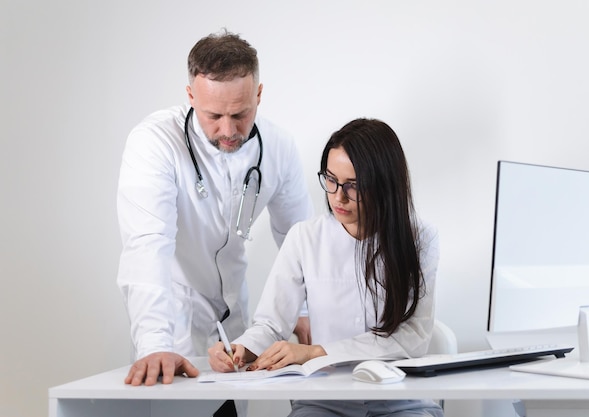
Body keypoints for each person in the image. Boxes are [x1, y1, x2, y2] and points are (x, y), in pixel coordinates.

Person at [116, 28, 314, 402]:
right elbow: (147, 246)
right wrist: (155, 342)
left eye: (241, 114)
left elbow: (299, 239)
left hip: (234, 325)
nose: (228, 130)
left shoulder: (279, 147)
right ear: (190, 96)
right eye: (213, 115)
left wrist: (304, 309)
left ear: (259, 94)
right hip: (172, 323)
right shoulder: (154, 144)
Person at [208, 118, 443, 417]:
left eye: (353, 186)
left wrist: (316, 352)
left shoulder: (420, 239)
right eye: (330, 179)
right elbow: (270, 324)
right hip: (325, 400)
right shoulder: (305, 237)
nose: (338, 196)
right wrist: (239, 350)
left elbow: (414, 336)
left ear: (385, 184)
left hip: (400, 400)